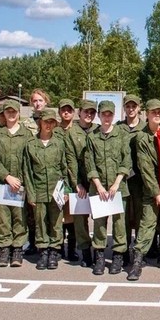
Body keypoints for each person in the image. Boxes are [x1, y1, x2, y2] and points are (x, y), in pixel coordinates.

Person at [128, 99, 160, 281]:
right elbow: (145, 168)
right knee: (147, 223)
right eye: (153, 112)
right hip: (151, 188)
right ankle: (137, 261)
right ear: (146, 114)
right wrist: (156, 192)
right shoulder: (141, 138)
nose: (157, 115)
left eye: (159, 112)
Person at [84, 100, 132, 276]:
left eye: (109, 114)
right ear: (99, 115)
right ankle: (99, 257)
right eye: (103, 114)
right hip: (99, 188)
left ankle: (118, 256)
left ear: (114, 115)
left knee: (120, 225)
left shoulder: (121, 134)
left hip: (118, 188)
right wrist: (98, 185)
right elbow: (89, 164)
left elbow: (126, 160)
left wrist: (117, 182)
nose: (106, 117)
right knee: (99, 225)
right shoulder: (92, 137)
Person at [0, 100, 33, 267]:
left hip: (19, 184)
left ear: (19, 113)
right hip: (2, 183)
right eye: (8, 112)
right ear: (3, 114)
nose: (11, 115)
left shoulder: (26, 135)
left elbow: (29, 159)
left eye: (14, 112)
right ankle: (4, 249)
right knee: (3, 219)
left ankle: (17, 249)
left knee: (19, 217)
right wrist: (6, 176)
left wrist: (22, 181)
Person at [25, 108, 70, 270]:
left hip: (55, 190)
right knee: (40, 222)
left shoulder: (59, 143)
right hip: (38, 190)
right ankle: (43, 251)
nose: (49, 125)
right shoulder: (31, 145)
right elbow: (27, 172)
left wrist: (66, 191)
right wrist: (30, 194)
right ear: (40, 123)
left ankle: (54, 251)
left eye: (52, 122)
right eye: (46, 122)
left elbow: (64, 169)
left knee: (56, 222)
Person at [63, 100, 98, 268]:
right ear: (80, 113)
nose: (89, 115)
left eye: (92, 112)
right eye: (86, 112)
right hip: (80, 180)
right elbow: (71, 160)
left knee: (99, 218)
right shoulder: (72, 133)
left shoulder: (99, 130)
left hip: (98, 181)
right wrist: (77, 183)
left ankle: (98, 251)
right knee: (79, 219)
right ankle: (85, 250)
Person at [118, 94, 147, 266]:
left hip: (140, 179)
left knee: (139, 216)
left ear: (139, 108)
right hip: (122, 179)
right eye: (128, 106)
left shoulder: (144, 127)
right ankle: (124, 250)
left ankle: (139, 251)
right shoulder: (118, 128)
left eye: (134, 106)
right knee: (122, 216)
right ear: (124, 108)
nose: (131, 109)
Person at [22, 88, 50, 255]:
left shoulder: (52, 120)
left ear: (46, 102)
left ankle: (52, 243)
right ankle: (33, 241)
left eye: (40, 100)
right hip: (32, 171)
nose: (38, 103)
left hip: (48, 170)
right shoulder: (26, 124)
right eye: (35, 101)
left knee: (51, 211)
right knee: (31, 210)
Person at [56, 99, 78, 262]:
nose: (66, 113)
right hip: (57, 178)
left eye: (69, 110)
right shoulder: (54, 130)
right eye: (63, 110)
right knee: (58, 215)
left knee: (72, 215)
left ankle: (71, 249)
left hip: (74, 177)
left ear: (74, 112)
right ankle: (58, 248)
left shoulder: (77, 131)